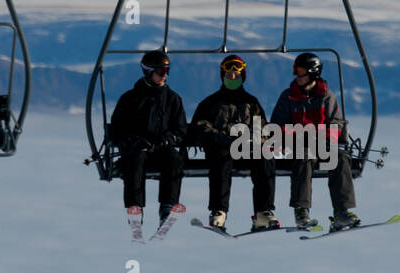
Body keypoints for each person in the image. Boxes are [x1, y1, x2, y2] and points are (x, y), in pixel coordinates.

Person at [186, 54, 279, 230]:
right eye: (229, 75)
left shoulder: (251, 103)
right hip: (220, 150)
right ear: (223, 76)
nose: (233, 78)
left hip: (245, 150)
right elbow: (199, 126)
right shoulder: (211, 102)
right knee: (221, 157)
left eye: (236, 75)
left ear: (243, 77)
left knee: (264, 156)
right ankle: (219, 211)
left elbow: (263, 127)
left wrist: (256, 139)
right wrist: (217, 136)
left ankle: (263, 212)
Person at [270, 52, 359, 230]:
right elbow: (276, 126)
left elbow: (337, 124)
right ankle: (301, 211)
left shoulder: (326, 97)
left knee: (340, 158)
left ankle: (341, 211)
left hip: (323, 146)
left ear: (313, 73)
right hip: (299, 147)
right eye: (295, 70)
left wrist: (321, 137)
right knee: (304, 156)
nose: (297, 76)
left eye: (301, 71)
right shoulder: (288, 97)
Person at [109, 50, 186, 226]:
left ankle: (167, 205)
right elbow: (117, 129)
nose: (164, 75)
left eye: (167, 71)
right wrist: (131, 141)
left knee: (174, 159)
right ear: (148, 71)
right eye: (160, 71)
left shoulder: (172, 99)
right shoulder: (131, 99)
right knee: (135, 161)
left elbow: (180, 130)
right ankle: (135, 208)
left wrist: (168, 139)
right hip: (138, 148)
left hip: (161, 148)